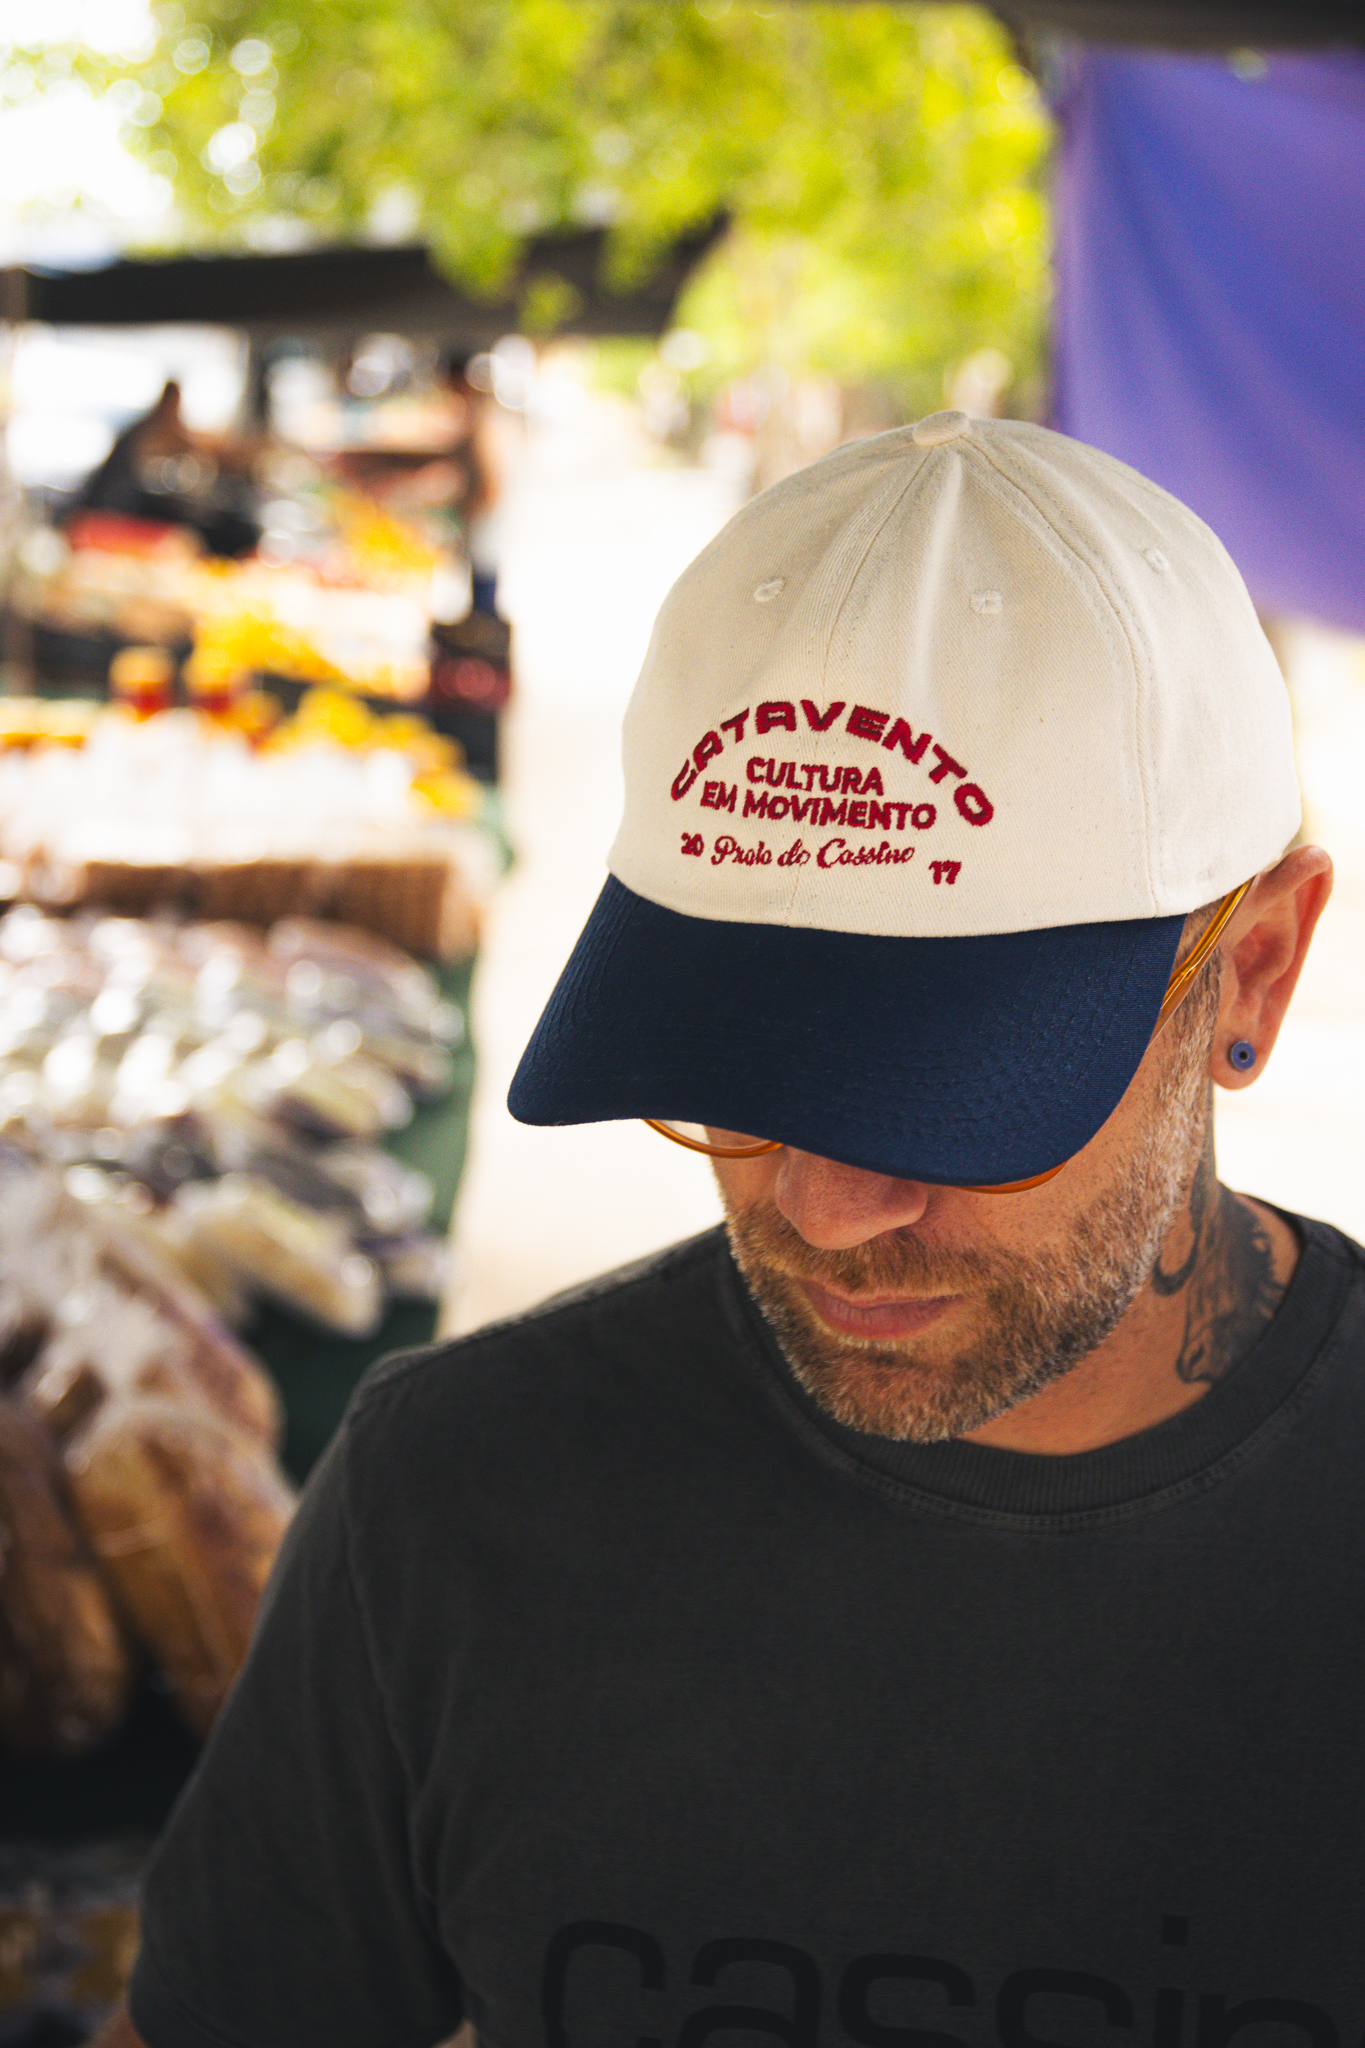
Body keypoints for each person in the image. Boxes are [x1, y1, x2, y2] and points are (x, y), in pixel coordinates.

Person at [99, 413, 1359, 2048]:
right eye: (740, 1067)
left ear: (1252, 973)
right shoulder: (453, 1499)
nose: (822, 1208)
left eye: (954, 1095)